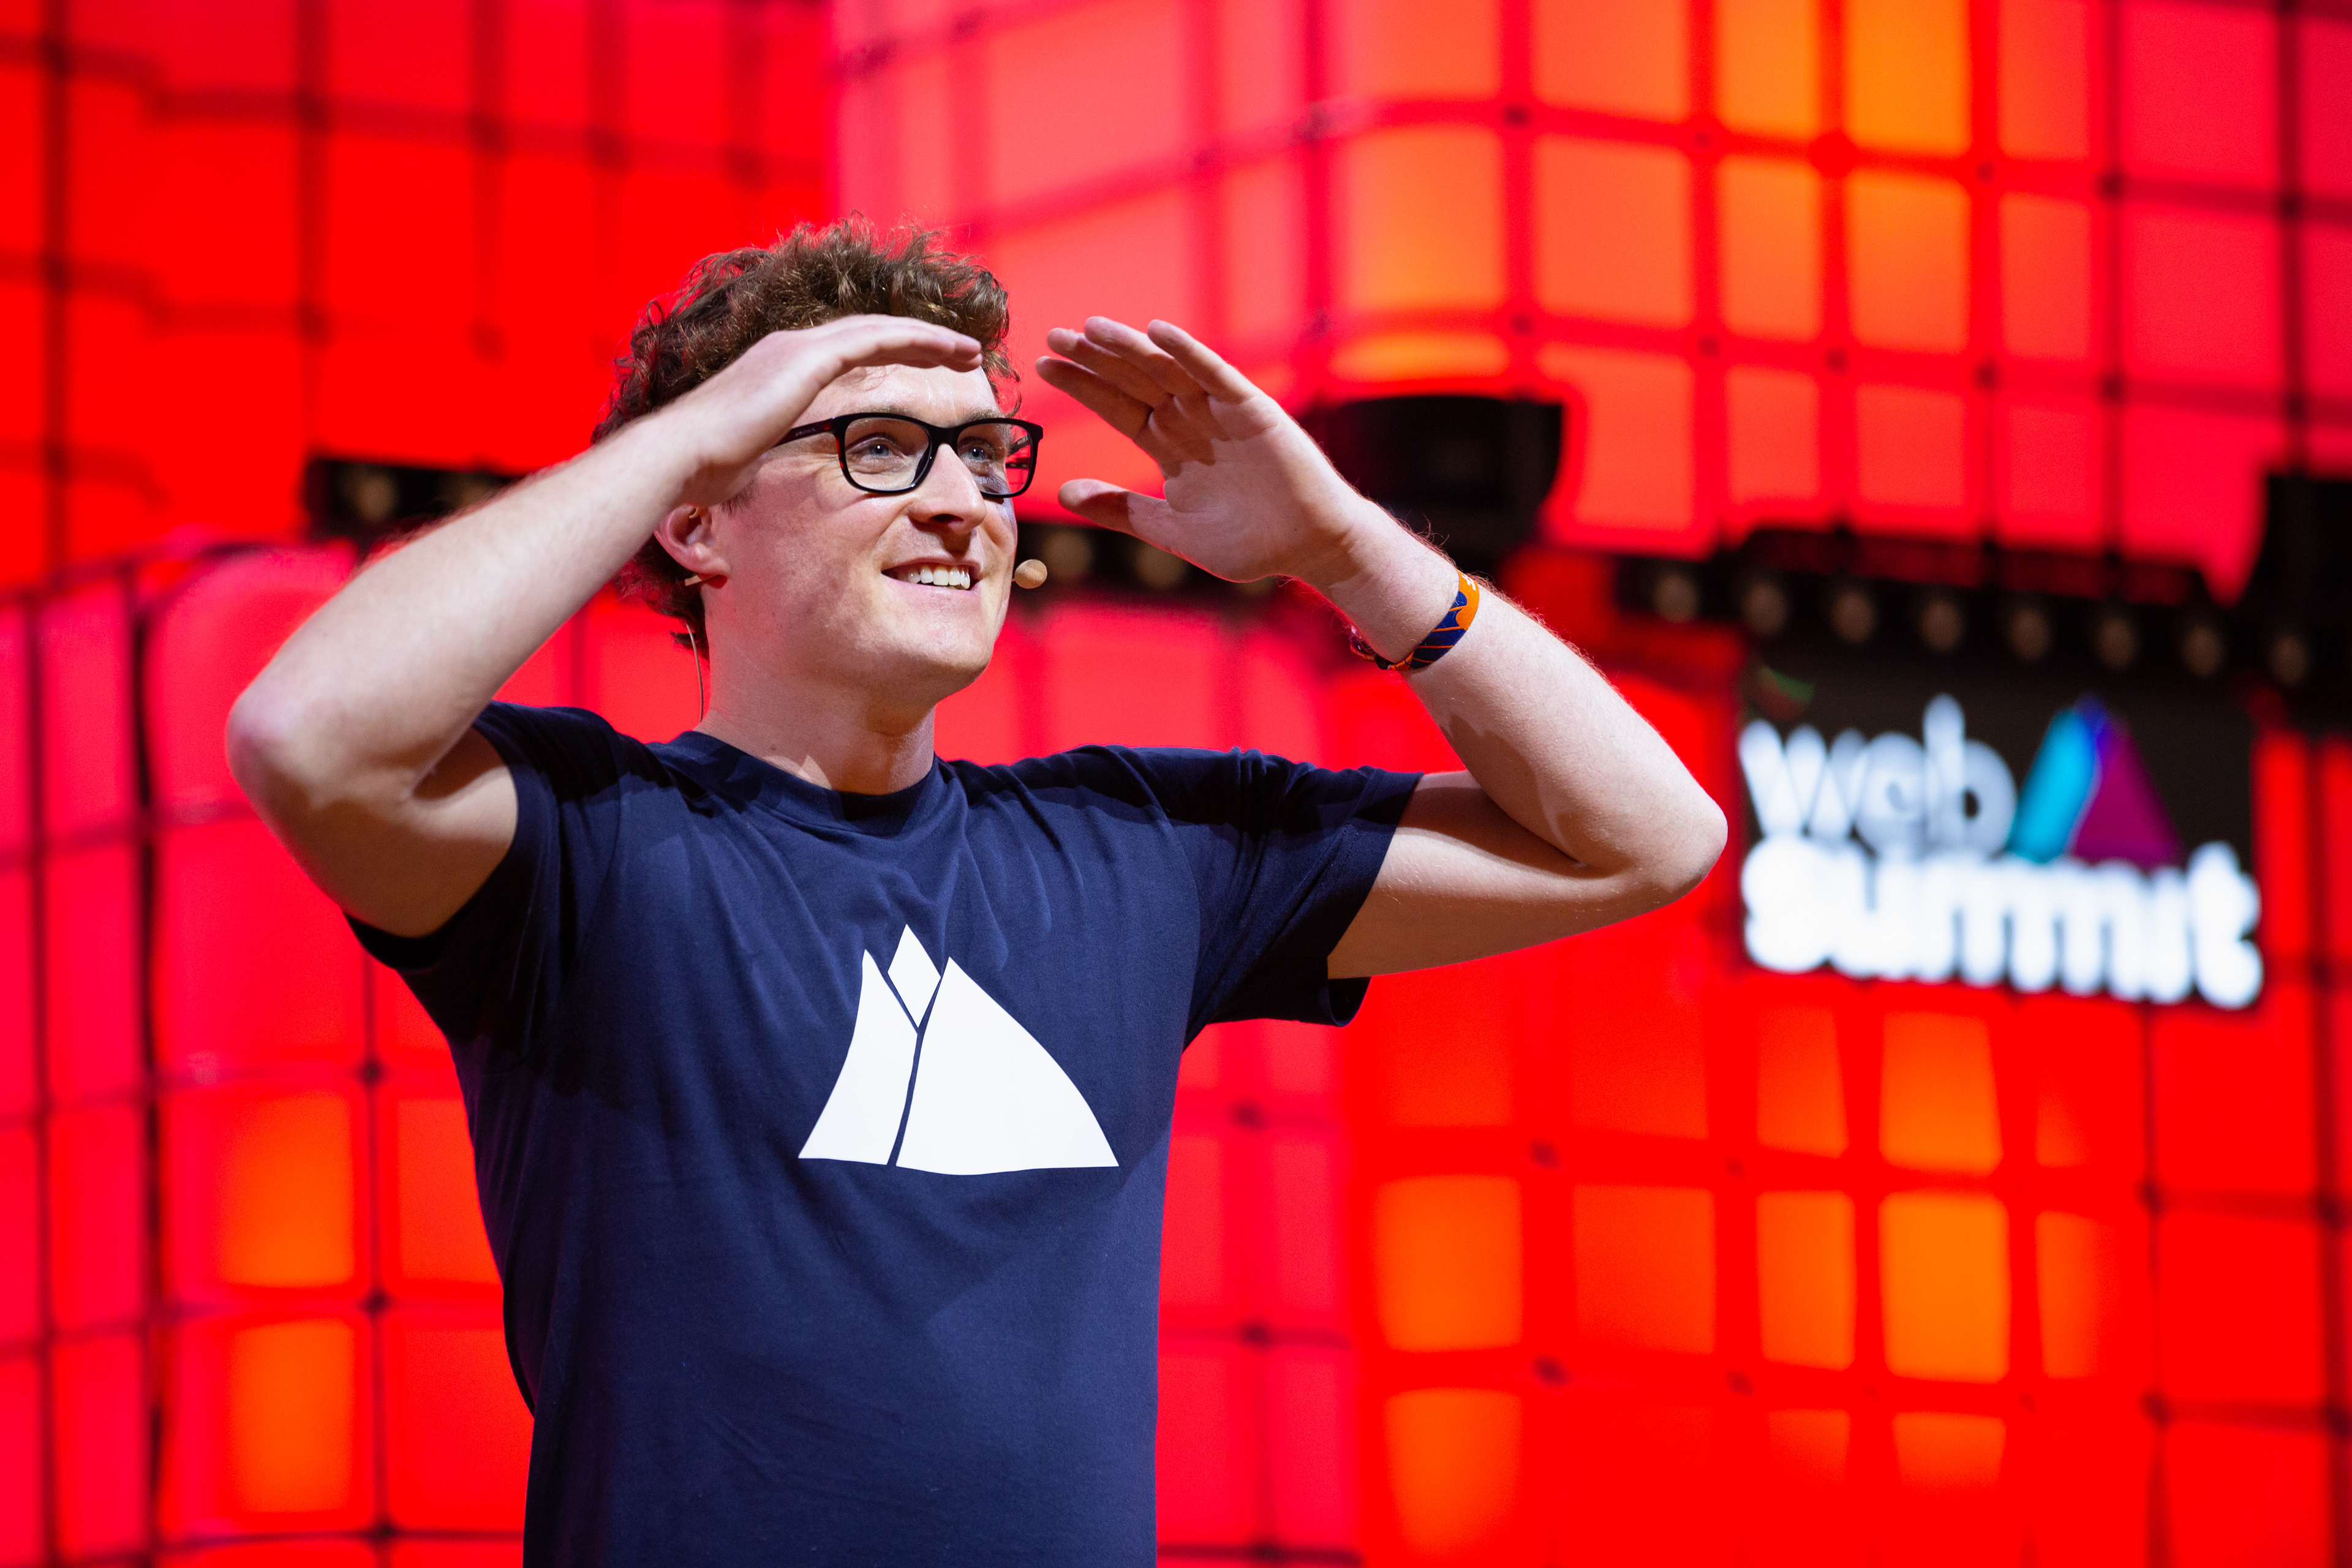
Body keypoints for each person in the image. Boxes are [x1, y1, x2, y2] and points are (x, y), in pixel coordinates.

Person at [227, 221, 1724, 1566]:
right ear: (697, 521)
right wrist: (679, 440)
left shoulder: (1143, 841)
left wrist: (1346, 550)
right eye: (876, 446)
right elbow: (309, 736)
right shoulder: (584, 839)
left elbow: (1647, 838)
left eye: (981, 452)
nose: (962, 504)